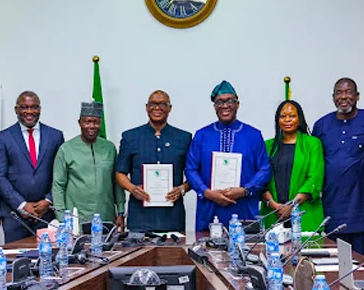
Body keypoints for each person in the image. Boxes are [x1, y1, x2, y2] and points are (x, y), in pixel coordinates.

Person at [186, 81, 271, 231]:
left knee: (247, 252)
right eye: (219, 102)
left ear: (237, 104)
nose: (225, 106)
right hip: (209, 209)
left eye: (230, 101)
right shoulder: (202, 135)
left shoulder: (253, 135)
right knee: (206, 251)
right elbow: (191, 169)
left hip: (244, 208)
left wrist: (245, 190)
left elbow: (264, 169)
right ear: (214, 107)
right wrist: (207, 192)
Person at [312, 78, 364, 257]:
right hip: (333, 207)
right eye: (339, 93)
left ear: (357, 96)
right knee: (336, 265)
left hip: (362, 208)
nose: (344, 97)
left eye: (348, 92)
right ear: (333, 97)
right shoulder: (322, 125)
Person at [0, 91, 65, 243]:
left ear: (40, 109)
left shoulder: (55, 136)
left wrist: (49, 200)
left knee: (48, 260)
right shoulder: (3, 137)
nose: (30, 112)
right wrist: (22, 205)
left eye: (34, 107)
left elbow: (61, 174)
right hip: (15, 215)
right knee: (17, 260)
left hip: (46, 213)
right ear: (16, 109)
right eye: (24, 107)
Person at [116, 90, 192, 232]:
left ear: (170, 108)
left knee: (173, 255)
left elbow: (194, 174)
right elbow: (120, 173)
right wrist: (132, 189)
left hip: (172, 217)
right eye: (153, 104)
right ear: (146, 107)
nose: (157, 108)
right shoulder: (130, 137)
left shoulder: (184, 138)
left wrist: (182, 189)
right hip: (140, 217)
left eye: (163, 104)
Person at [52, 102, 125, 228]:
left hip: (106, 217)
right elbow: (58, 185)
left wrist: (120, 211)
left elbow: (117, 182)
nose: (92, 126)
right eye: (87, 122)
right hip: (76, 220)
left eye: (96, 122)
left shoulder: (109, 148)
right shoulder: (66, 149)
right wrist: (62, 218)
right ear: (79, 122)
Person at [260, 100, 324, 232]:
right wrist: (274, 205)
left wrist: (291, 206)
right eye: (283, 116)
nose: (287, 120)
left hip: (305, 214)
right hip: (273, 214)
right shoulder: (267, 146)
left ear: (299, 119)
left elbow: (314, 179)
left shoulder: (312, 144)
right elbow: (260, 181)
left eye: (292, 116)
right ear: (277, 120)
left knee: (306, 252)